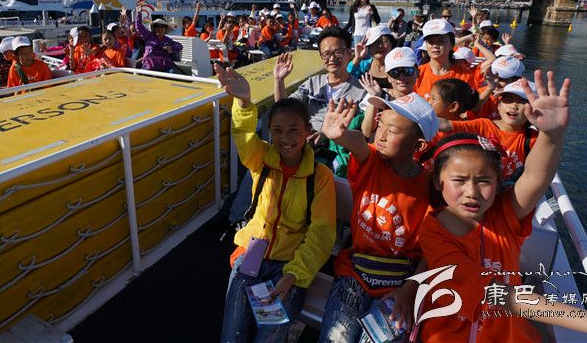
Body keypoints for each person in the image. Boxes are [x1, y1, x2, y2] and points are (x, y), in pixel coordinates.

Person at [418, 71, 587, 343]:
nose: (471, 192)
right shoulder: (433, 230)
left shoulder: (504, 213)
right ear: (437, 182)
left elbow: (535, 177)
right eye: (459, 180)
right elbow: (491, 291)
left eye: (484, 181)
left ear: (498, 182)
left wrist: (551, 136)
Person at [214, 64, 336, 343]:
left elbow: (321, 233)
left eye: (294, 130)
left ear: (308, 131)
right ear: (269, 132)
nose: (285, 139)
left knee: (269, 335)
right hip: (253, 254)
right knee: (233, 335)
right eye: (277, 130)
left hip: (290, 264)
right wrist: (244, 103)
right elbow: (245, 137)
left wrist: (294, 275)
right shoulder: (262, 159)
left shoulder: (320, 177)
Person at [317, 93, 438, 343]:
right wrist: (339, 136)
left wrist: (410, 288)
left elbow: (431, 248)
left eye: (391, 131)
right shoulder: (371, 161)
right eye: (380, 125)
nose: (380, 136)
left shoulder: (431, 188)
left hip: (399, 284)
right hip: (355, 273)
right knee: (336, 338)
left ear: (418, 146)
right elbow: (358, 144)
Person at [437, 78, 537, 180]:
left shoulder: (534, 138)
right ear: (498, 105)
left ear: (535, 109)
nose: (514, 106)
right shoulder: (483, 125)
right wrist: (427, 120)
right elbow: (447, 125)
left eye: (522, 102)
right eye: (508, 100)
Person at [274, 27, 366, 133]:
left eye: (338, 52)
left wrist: (324, 135)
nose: (332, 58)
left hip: (338, 141)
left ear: (349, 53)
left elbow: (363, 130)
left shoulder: (361, 91)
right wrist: (279, 80)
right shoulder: (312, 84)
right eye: (326, 54)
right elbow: (285, 109)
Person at [414, 19, 481, 100]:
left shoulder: (466, 76)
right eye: (431, 41)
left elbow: (470, 106)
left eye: (441, 41)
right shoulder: (417, 74)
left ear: (452, 45)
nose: (435, 45)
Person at [133, 6, 183, 73]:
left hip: (165, 66)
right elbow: (139, 27)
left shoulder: (168, 40)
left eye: (162, 27)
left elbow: (179, 46)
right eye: (157, 26)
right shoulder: (148, 36)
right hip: (149, 66)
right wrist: (139, 14)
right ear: (154, 28)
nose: (159, 29)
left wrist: (170, 47)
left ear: (165, 29)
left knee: (173, 73)